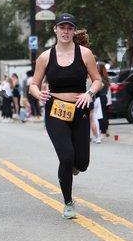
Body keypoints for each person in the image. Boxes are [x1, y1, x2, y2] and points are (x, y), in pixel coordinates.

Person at [29, 13, 102, 219]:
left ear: (74, 31)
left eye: (70, 28)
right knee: (66, 157)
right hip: (55, 111)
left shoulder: (85, 54)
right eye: (62, 27)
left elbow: (97, 80)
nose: (66, 31)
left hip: (79, 109)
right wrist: (38, 94)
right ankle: (68, 203)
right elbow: (33, 84)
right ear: (55, 29)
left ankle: (73, 166)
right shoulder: (45, 57)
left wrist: (89, 93)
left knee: (82, 163)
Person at [96, 62, 110, 137]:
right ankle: (105, 130)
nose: (96, 69)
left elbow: (99, 89)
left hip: (100, 97)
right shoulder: (105, 78)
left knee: (101, 115)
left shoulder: (100, 78)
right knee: (104, 114)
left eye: (97, 68)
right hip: (104, 97)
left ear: (100, 69)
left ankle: (103, 131)